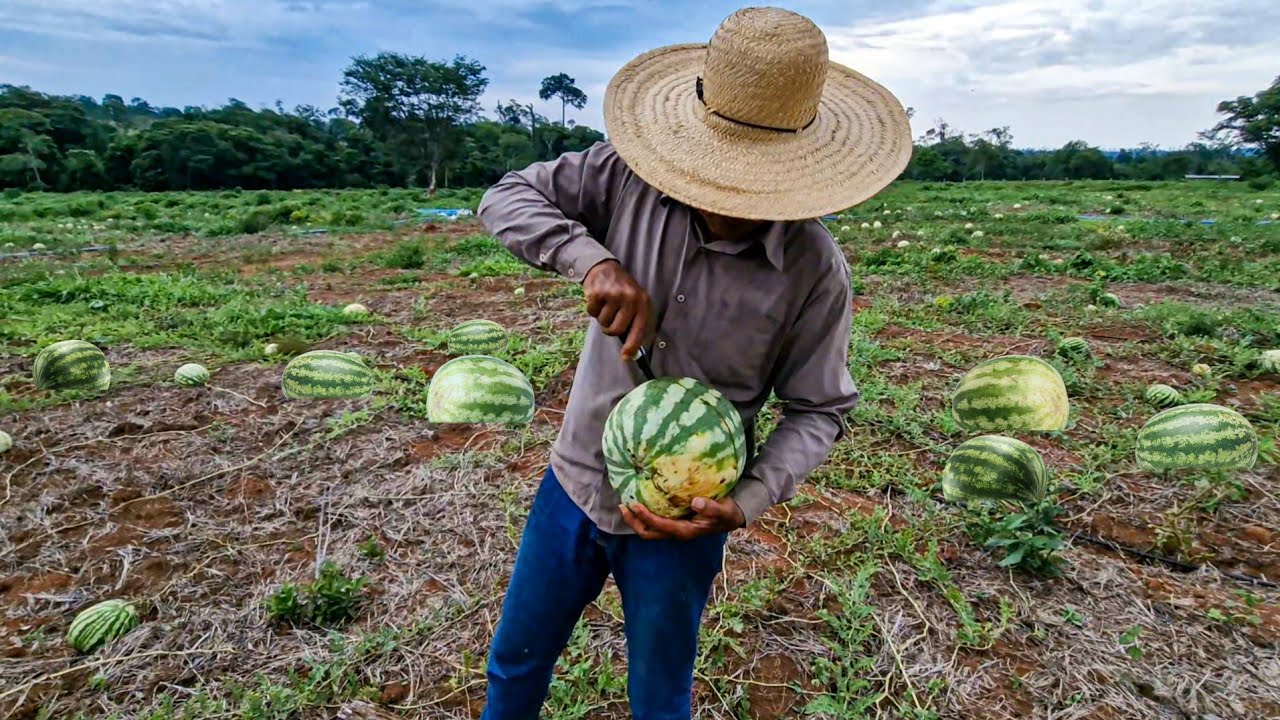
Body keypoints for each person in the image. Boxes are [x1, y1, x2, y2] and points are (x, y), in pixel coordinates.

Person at [474, 6, 911, 719]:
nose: (722, 197)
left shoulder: (814, 270)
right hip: (576, 480)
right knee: (515, 664)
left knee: (660, 694)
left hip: (684, 519)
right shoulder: (624, 178)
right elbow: (507, 196)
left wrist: (747, 500)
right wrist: (591, 260)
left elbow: (820, 408)